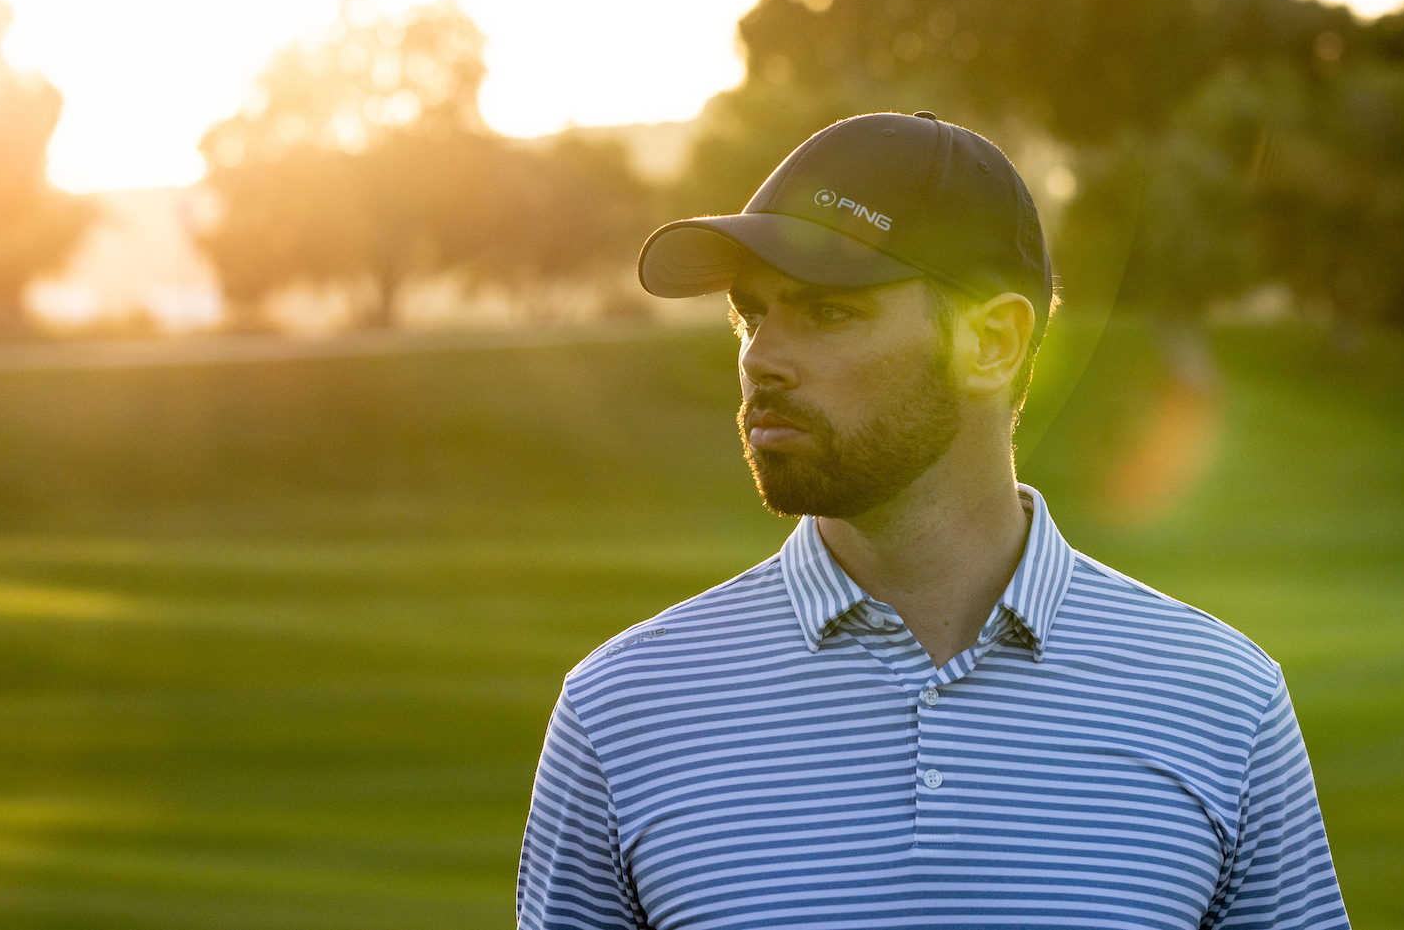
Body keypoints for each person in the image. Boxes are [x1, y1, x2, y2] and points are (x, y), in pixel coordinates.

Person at [517, 111, 1350, 929]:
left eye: (828, 311)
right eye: (752, 313)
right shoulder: (619, 713)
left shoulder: (1224, 704)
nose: (760, 358)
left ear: (992, 343)